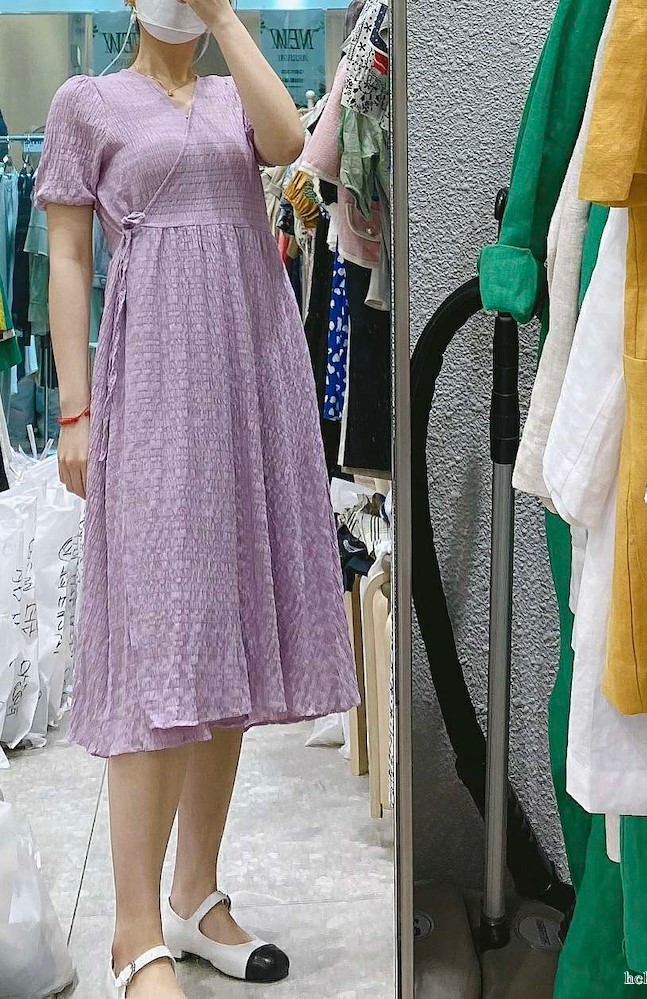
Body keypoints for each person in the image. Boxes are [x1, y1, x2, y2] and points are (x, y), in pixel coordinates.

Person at [35, 1, 360, 996]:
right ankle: (133, 933)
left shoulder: (230, 95)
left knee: (226, 641)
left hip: (250, 378)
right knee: (159, 649)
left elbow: (291, 144)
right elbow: (68, 256)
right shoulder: (87, 102)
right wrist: (76, 412)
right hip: (155, 386)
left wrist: (223, 17)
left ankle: (194, 894)